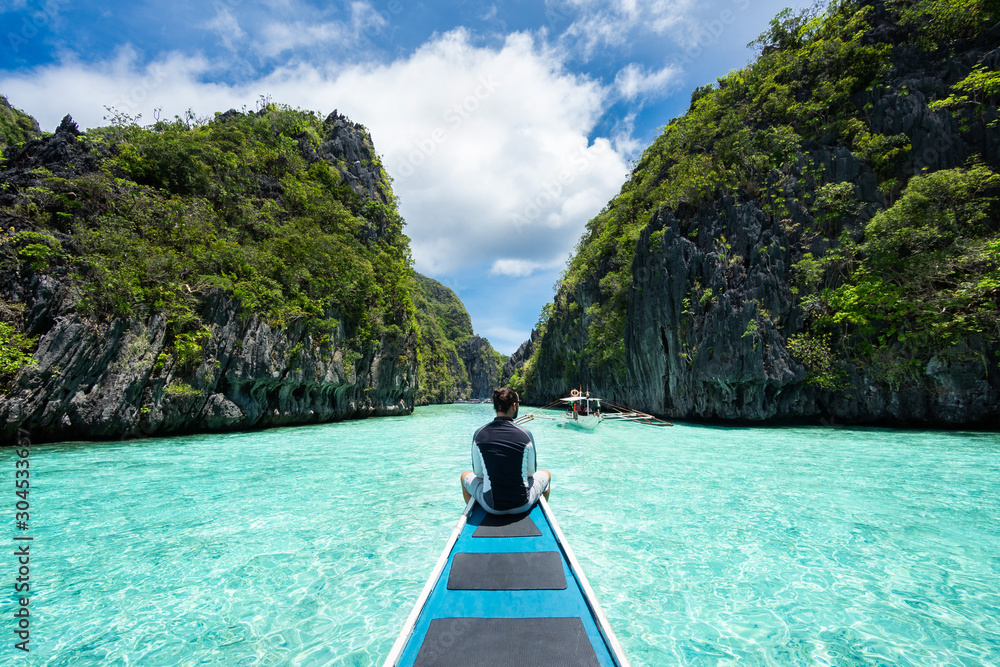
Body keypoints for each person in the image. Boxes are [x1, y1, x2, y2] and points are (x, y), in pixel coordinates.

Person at [461, 387, 551, 515]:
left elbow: (478, 473)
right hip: (523, 504)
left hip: (491, 507)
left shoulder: (479, 434)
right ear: (514, 406)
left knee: (464, 476)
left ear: (496, 407)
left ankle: (476, 515)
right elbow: (531, 472)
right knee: (546, 474)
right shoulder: (525, 434)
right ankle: (539, 515)